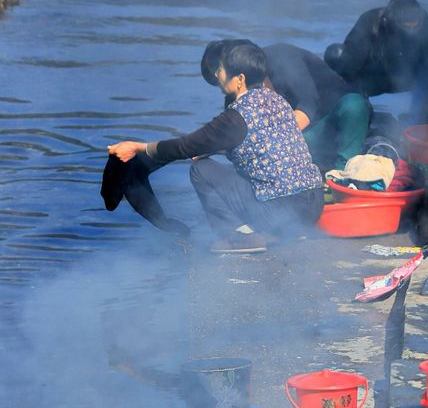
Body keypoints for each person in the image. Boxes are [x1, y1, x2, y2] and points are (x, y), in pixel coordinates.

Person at [106, 42, 324, 253]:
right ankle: (283, 232)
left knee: (202, 170)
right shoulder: (277, 101)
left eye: (221, 70)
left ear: (240, 79)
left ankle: (239, 237)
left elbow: (185, 146)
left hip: (279, 213)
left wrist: (138, 147)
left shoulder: (236, 116)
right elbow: (260, 143)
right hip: (313, 206)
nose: (217, 75)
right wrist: (215, 148)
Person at [201, 40, 372, 172]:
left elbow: (309, 104)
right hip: (299, 144)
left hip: (331, 125)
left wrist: (272, 141)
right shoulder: (234, 96)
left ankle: (342, 174)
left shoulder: (283, 57)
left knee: (354, 105)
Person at [324, 0, 428, 125]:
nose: (410, 29)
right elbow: (349, 65)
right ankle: (360, 110)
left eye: (414, 24)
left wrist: (425, 101)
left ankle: (424, 111)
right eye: (405, 25)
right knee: (336, 54)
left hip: (409, 76)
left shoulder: (424, 20)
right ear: (387, 20)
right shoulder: (370, 22)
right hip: (374, 79)